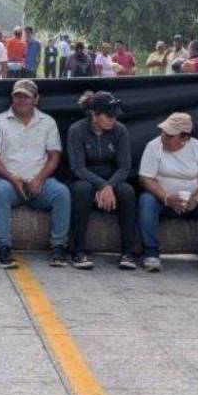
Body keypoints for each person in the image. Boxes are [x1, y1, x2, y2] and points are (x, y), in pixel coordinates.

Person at [0, 79, 69, 269]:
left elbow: (54, 156)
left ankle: (58, 247)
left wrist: (39, 179)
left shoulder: (47, 122)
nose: (20, 100)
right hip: (9, 180)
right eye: (17, 96)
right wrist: (12, 178)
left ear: (36, 99)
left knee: (62, 193)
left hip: (39, 181)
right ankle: (3, 248)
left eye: (26, 97)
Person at [137, 113, 198, 275]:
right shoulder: (153, 146)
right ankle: (151, 254)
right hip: (162, 200)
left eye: (169, 135)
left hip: (192, 202)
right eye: (163, 133)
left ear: (184, 137)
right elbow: (145, 178)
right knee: (146, 200)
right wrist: (166, 197)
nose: (164, 137)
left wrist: (196, 199)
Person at [67, 91, 136, 270]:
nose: (113, 119)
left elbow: (124, 167)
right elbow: (77, 167)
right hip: (85, 178)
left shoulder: (120, 130)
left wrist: (109, 186)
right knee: (82, 191)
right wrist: (102, 185)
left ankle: (128, 251)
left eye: (115, 116)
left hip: (112, 179)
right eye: (108, 115)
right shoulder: (77, 130)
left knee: (127, 192)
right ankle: (78, 250)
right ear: (94, 114)